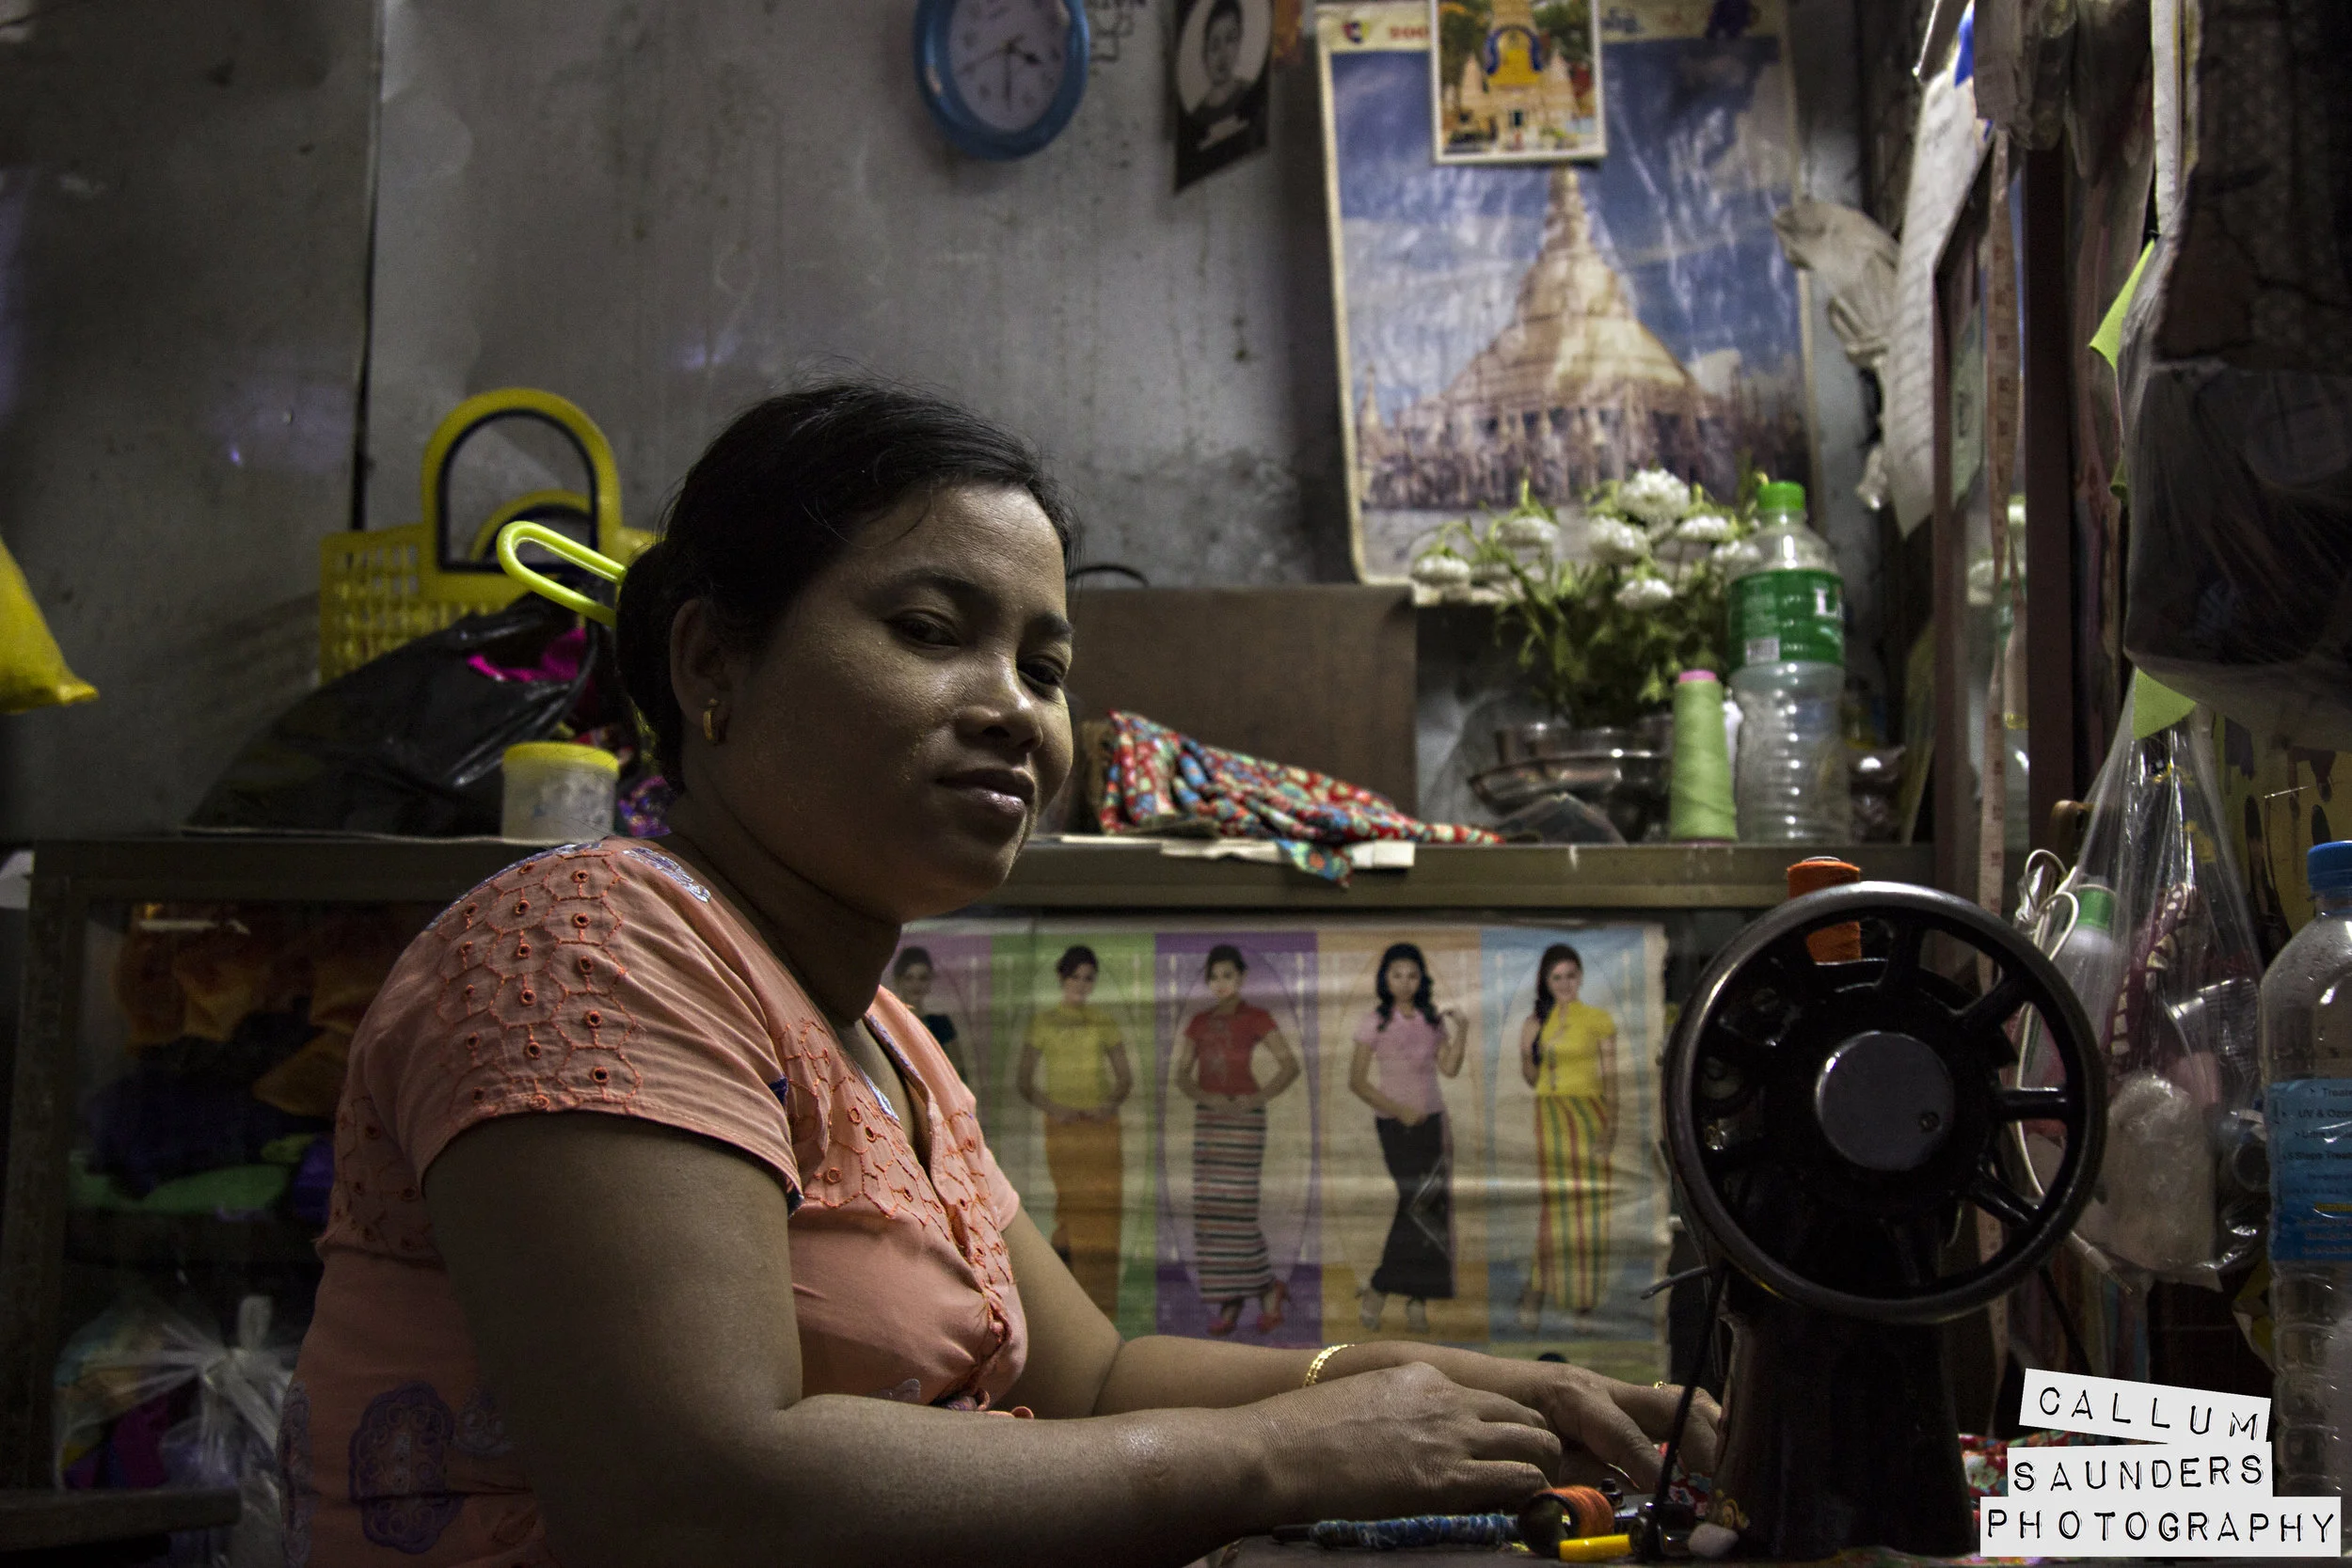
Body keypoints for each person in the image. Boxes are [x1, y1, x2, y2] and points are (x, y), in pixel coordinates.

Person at [283, 381, 1714, 1567]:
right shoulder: (593, 947)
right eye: (929, 630)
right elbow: (690, 1495)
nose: (1014, 712)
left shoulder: (886, 1036)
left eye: (1045, 663)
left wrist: (1477, 1390)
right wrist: (1284, 1453)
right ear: (713, 661)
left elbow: (1093, 1381)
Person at [1172, 944, 1299, 1337]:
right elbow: (1182, 1076)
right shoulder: (1198, 1021)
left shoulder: (1257, 1016)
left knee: (1239, 1208)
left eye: (1229, 975)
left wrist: (1254, 1099)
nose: (1221, 983)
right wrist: (1207, 1097)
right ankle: (1232, 1299)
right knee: (1212, 1211)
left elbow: (1289, 1065)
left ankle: (1263, 1289)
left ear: (1241, 978)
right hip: (1211, 1118)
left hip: (1244, 1120)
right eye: (1214, 977)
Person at [1347, 942, 1467, 1335]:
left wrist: (1461, 1030)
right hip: (1396, 1125)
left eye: (1412, 975)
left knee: (1432, 1212)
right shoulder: (1374, 1022)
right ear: (1385, 978)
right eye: (1397, 974)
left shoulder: (1431, 1020)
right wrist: (1400, 1110)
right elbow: (1357, 1082)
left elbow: (1448, 1068)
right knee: (1412, 1205)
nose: (1405, 982)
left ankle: (1418, 1301)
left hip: (1433, 1122)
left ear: (1421, 979)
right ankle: (1379, 1289)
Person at [1017, 943, 1134, 1316]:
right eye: (1075, 977)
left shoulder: (1103, 1021)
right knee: (1069, 1208)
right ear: (1061, 978)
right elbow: (1024, 1081)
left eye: (1088, 979)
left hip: (1100, 1130)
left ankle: (1102, 1307)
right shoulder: (1044, 1022)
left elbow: (1124, 1079)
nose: (1081, 985)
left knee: (1104, 1212)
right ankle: (1066, 1305)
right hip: (1063, 1129)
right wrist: (1058, 1109)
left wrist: (1107, 1106)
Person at [1517, 943, 1619, 1330]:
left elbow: (1611, 1078)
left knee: (1589, 1210)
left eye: (1570, 976)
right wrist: (1527, 1050)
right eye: (1556, 977)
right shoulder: (1537, 1021)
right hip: (1550, 1116)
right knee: (1555, 1207)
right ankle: (1536, 1292)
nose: (1564, 983)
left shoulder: (1597, 1019)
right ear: (1547, 981)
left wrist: (1610, 1127)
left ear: (1580, 977)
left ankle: (1584, 1306)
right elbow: (1532, 1079)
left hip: (1589, 1115)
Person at [890, 945, 970, 1081]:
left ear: (929, 982)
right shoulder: (889, 1021)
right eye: (909, 978)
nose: (916, 984)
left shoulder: (941, 1024)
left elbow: (959, 1071)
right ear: (899, 981)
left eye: (922, 978)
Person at [1195, 0, 1248, 119]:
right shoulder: (1198, 114)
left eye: (1230, 40)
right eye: (1214, 46)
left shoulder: (1250, 93)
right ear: (1204, 54)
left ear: (1239, 41)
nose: (1223, 54)